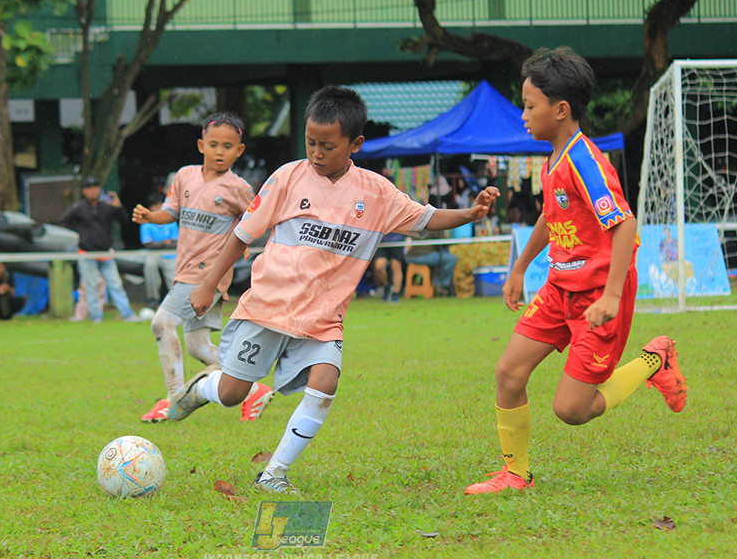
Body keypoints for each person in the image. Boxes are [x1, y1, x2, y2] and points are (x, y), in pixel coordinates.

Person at [170, 86, 500, 494]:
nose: (316, 153)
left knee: (326, 381)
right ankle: (201, 389)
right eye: (310, 142)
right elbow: (242, 235)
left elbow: (425, 218)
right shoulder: (288, 178)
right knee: (232, 393)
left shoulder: (376, 193)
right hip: (267, 308)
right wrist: (207, 285)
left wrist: (470, 212)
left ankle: (273, 473)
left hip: (323, 318)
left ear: (355, 144)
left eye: (327, 145)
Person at [464, 47, 688, 495]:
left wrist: (611, 296)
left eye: (530, 106)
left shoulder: (585, 160)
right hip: (559, 287)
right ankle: (515, 474)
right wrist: (520, 267)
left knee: (572, 410)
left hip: (597, 297)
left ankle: (654, 359)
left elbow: (625, 224)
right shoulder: (554, 157)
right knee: (509, 372)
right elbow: (552, 217)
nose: (523, 115)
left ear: (560, 109)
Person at [132, 113, 270, 424]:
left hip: (206, 276)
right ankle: (254, 389)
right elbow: (171, 211)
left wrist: (244, 241)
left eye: (228, 146)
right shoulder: (184, 176)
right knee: (198, 347)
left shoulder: (239, 188)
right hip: (184, 271)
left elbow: (254, 221)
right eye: (213, 144)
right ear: (201, 145)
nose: (220, 151)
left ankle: (173, 398)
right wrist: (150, 217)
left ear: (239, 151)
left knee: (160, 324)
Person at [59, 176, 141, 323]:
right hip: (86, 253)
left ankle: (127, 315)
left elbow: (124, 220)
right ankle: (96, 317)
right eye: (89, 188)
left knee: (115, 284)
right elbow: (64, 220)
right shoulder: (78, 207)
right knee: (90, 287)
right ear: (84, 191)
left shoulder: (106, 206)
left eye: (95, 187)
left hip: (105, 252)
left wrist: (118, 207)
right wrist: (80, 233)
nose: (93, 191)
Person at [139, 193, 178, 308]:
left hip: (170, 255)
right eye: (155, 205)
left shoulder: (171, 221)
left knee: (174, 277)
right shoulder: (146, 223)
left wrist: (159, 244)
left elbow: (175, 243)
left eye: (160, 204)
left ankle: (176, 302)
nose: (158, 207)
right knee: (150, 266)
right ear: (151, 207)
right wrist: (165, 243)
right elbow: (148, 245)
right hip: (153, 254)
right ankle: (153, 299)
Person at [372, 232, 405, 304]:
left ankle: (395, 294)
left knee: (396, 266)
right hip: (382, 241)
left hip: (397, 240)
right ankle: (387, 286)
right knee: (379, 266)